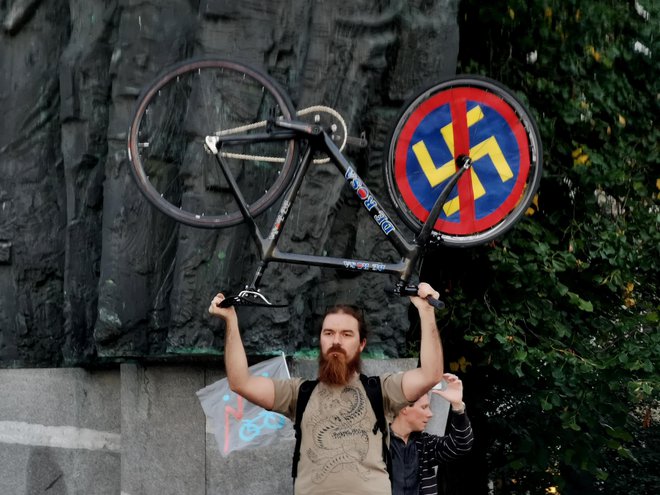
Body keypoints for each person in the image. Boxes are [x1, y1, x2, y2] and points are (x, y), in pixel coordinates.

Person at [208, 282, 444, 495]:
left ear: (362, 344)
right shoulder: (298, 393)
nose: (336, 341)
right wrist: (231, 320)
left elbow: (430, 374)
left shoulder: (381, 390)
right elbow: (241, 382)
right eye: (329, 333)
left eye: (347, 334)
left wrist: (426, 312)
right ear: (320, 340)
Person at [389, 373, 474, 495]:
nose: (430, 414)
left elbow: (461, 444)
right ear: (404, 407)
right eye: (424, 407)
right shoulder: (377, 443)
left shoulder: (426, 444)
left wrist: (458, 405)